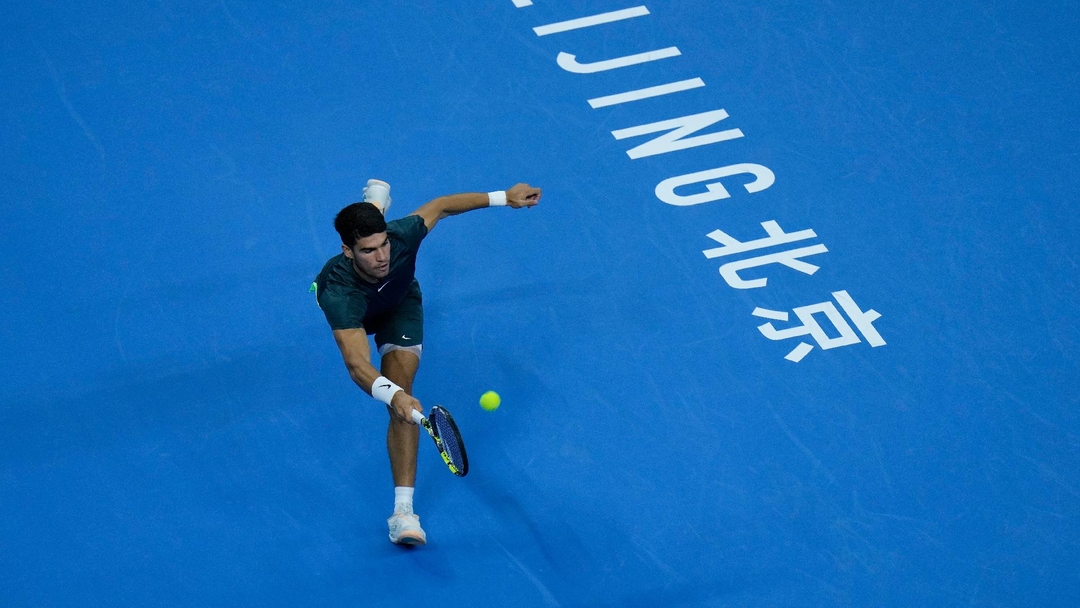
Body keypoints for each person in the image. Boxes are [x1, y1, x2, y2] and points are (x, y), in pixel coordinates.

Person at [313, 182, 542, 545]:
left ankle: (403, 513)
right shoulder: (338, 294)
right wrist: (392, 395)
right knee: (396, 397)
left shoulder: (399, 237)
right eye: (368, 250)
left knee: (401, 391)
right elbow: (357, 366)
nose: (382, 256)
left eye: (383, 244)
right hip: (360, 311)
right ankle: (373, 204)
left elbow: (443, 205)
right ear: (346, 251)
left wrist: (504, 198)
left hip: (401, 304)